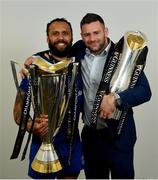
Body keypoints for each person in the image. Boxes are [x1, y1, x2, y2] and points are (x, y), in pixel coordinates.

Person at [72, 13, 152, 179]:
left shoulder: (124, 56)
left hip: (118, 137)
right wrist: (34, 58)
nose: (92, 38)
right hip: (91, 137)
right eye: (87, 34)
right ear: (82, 36)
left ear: (106, 31)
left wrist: (116, 99)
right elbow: (57, 50)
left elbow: (145, 91)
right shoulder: (79, 49)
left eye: (96, 33)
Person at [13, 18, 84, 179]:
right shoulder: (35, 68)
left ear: (72, 37)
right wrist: (32, 126)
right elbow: (17, 110)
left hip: (71, 145)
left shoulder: (79, 64)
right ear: (47, 38)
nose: (60, 37)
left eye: (65, 33)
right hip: (42, 143)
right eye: (55, 33)